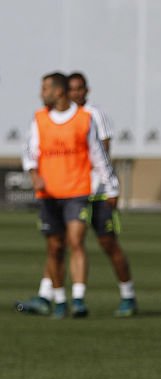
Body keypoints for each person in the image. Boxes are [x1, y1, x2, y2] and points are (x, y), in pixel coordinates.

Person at [15, 72, 119, 319]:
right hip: (49, 193)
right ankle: (59, 300)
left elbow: (98, 154)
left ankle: (79, 299)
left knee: (76, 242)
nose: (41, 93)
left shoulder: (84, 119)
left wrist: (111, 186)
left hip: (77, 191)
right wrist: (33, 174)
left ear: (57, 91)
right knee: (54, 247)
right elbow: (29, 151)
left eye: (45, 88)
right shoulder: (39, 119)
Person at [67, 72, 138, 317]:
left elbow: (104, 150)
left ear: (87, 90)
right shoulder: (63, 118)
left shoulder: (95, 115)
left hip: (97, 190)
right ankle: (64, 296)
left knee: (108, 243)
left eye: (79, 88)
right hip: (73, 190)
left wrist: (110, 186)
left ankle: (128, 294)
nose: (76, 93)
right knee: (64, 242)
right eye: (71, 89)